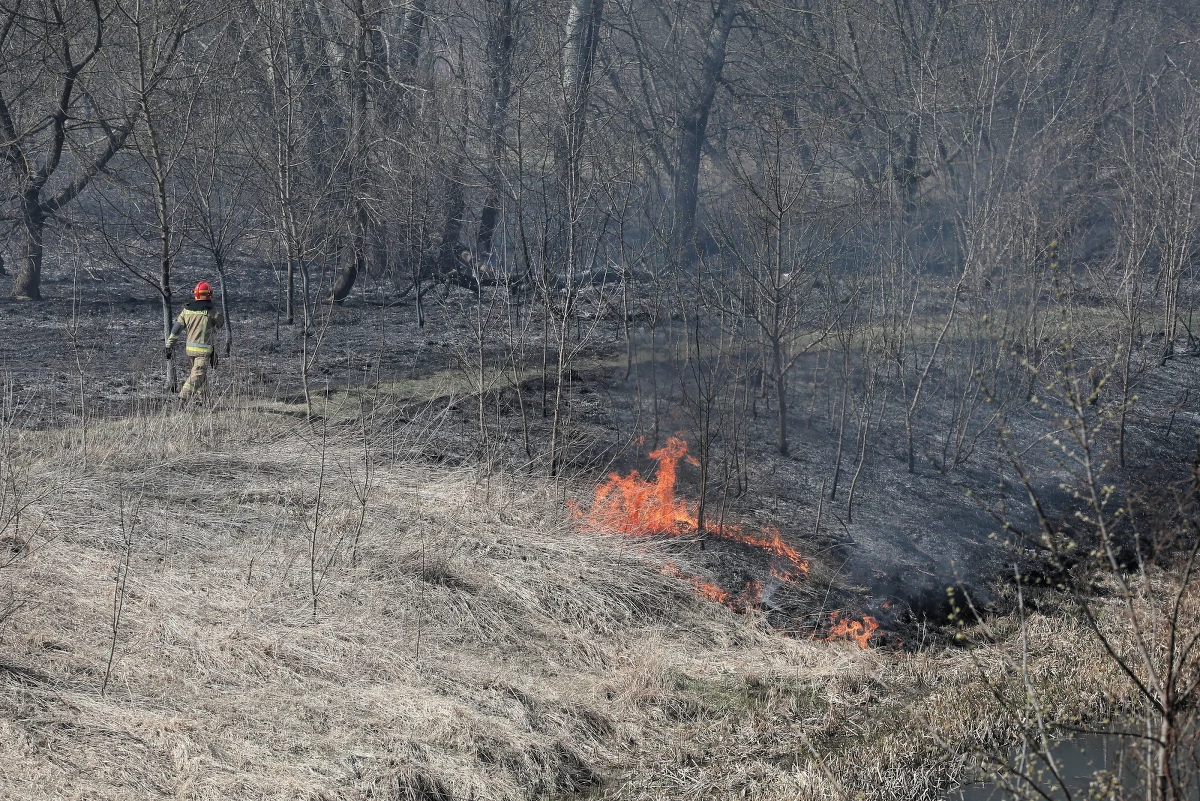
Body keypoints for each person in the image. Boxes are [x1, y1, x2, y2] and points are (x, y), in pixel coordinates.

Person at [165, 281, 224, 402]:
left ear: (195, 294)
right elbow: (220, 322)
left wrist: (169, 346)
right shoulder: (210, 311)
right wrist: (213, 311)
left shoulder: (186, 310)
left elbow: (176, 329)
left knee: (200, 377)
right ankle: (183, 397)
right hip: (203, 352)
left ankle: (204, 402)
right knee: (197, 376)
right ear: (210, 295)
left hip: (190, 351)